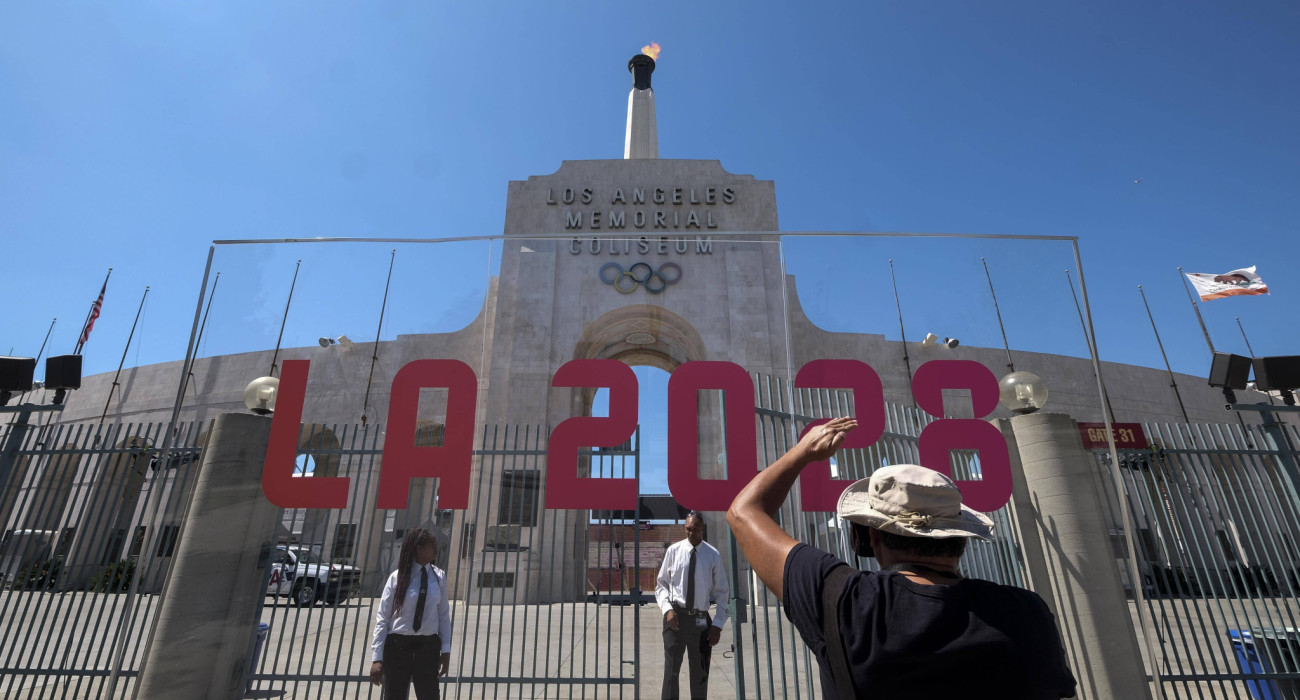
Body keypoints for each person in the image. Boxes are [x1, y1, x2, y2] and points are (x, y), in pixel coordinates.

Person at [727, 417, 1077, 699]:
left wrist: (802, 453)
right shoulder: (1026, 611)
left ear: (873, 535)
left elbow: (745, 512)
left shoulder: (841, 600)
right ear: (960, 538)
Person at [655, 512, 730, 700]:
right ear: (684, 528)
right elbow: (661, 584)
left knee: (700, 675)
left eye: (695, 529)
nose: (691, 533)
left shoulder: (712, 555)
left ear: (703, 529)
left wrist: (717, 624)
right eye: (688, 528)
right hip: (676, 619)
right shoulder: (674, 551)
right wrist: (667, 610)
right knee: (671, 672)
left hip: (700, 621)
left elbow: (723, 592)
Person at [370, 528, 452, 700]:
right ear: (419, 548)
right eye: (432, 545)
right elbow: (383, 618)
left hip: (428, 647)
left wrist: (446, 650)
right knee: (395, 695)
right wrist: (377, 658)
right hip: (398, 646)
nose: (436, 549)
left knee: (429, 695)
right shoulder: (397, 578)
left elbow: (444, 615)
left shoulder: (439, 577)